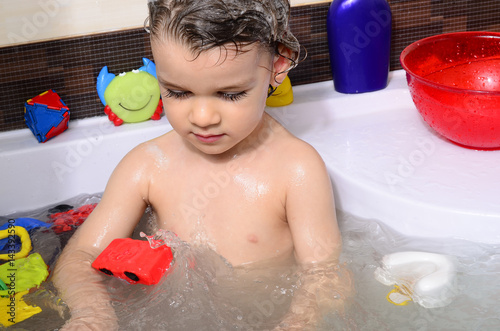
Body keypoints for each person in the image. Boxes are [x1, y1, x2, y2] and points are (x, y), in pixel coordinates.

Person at [53, 0, 350, 329]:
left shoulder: (295, 170)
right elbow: (79, 258)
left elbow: (324, 273)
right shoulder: (147, 166)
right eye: (178, 92)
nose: (202, 118)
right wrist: (92, 314)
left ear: (278, 64)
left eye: (230, 94)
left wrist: (299, 322)